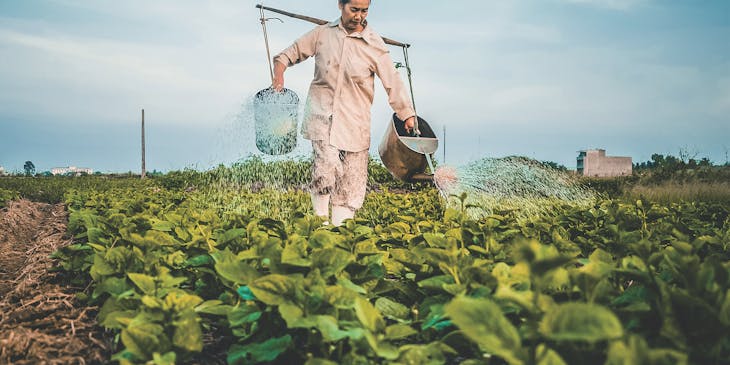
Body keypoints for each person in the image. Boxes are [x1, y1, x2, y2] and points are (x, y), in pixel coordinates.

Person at [272, 0, 416, 226]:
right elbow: (286, 56)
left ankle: (340, 233)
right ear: (341, 5)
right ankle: (319, 226)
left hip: (355, 120)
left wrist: (406, 114)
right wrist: (279, 76)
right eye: (354, 9)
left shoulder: (374, 44)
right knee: (326, 167)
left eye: (364, 10)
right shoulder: (322, 34)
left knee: (351, 181)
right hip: (322, 115)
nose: (358, 16)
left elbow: (393, 82)